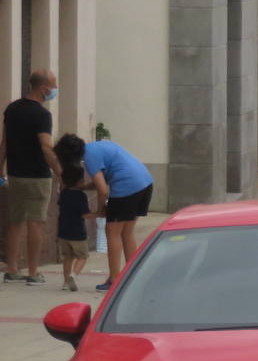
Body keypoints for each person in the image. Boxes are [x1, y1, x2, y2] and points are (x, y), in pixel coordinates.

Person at [54, 134, 154, 292]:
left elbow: (103, 189)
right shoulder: (98, 146)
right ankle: (132, 275)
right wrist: (85, 187)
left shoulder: (89, 158)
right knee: (127, 232)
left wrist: (101, 210)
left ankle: (114, 279)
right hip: (145, 183)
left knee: (112, 231)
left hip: (126, 187)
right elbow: (102, 179)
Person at [0, 70, 62, 285]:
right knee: (36, 223)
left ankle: (12, 269)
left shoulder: (12, 109)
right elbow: (46, 146)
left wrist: (1, 170)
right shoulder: (42, 115)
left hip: (15, 174)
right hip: (38, 176)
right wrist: (59, 171)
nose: (54, 90)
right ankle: (33, 272)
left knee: (14, 223)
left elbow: (4, 143)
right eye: (53, 86)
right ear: (44, 88)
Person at [56, 164, 92, 291]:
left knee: (67, 257)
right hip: (78, 233)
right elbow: (85, 215)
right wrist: (99, 214)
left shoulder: (64, 194)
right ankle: (74, 274)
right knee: (82, 256)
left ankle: (66, 282)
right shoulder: (81, 196)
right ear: (80, 181)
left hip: (63, 232)